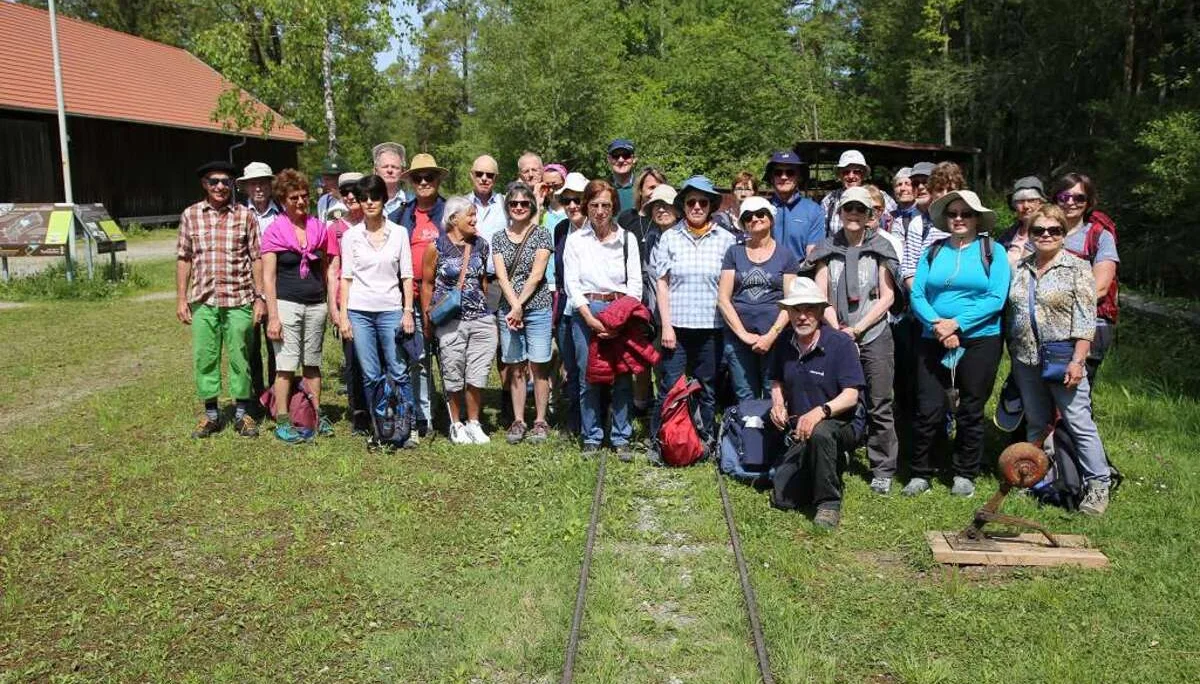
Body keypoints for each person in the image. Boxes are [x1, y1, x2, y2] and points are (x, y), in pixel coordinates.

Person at [1005, 204, 1112, 515]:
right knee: (1037, 421)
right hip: (1026, 358)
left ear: (1064, 234)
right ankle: (1039, 479)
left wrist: (1078, 360)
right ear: (1030, 234)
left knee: (1078, 421)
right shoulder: (1021, 268)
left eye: (1054, 230)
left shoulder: (1077, 268)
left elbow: (1085, 320)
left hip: (1063, 358)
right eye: (1039, 230)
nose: (1046, 235)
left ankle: (1098, 485)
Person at [904, 190, 1011, 498]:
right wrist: (937, 325)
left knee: (971, 408)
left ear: (977, 218)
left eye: (966, 213)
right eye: (953, 214)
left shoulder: (993, 251)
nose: (959, 219)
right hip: (933, 338)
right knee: (928, 407)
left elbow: (996, 298)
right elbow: (917, 294)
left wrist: (957, 323)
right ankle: (921, 471)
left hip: (980, 338)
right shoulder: (933, 251)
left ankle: (965, 472)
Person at [809, 186, 902, 495]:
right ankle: (839, 452)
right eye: (848, 208)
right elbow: (820, 296)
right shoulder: (825, 249)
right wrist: (838, 330)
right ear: (840, 212)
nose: (853, 214)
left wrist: (858, 328)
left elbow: (887, 296)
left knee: (879, 402)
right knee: (838, 400)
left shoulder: (881, 248)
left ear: (869, 215)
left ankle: (882, 467)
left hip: (873, 333)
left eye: (860, 209)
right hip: (836, 334)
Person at [176, 161, 265, 438]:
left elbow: (257, 257)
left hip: (239, 298)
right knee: (205, 356)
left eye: (225, 182)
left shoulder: (245, 216)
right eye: (214, 181)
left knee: (241, 357)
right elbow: (184, 258)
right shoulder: (191, 215)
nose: (220, 187)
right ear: (204, 184)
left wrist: (260, 297)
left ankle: (242, 414)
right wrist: (181, 299)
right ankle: (211, 415)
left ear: (232, 185)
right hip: (204, 300)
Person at [768, 278, 865, 529]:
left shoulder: (840, 343)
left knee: (821, 433)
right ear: (788, 313)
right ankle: (822, 464)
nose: (802, 316)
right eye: (796, 310)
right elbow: (776, 380)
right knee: (783, 499)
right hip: (800, 426)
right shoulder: (784, 342)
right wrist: (777, 403)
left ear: (821, 312)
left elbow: (851, 395)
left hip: (840, 421)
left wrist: (820, 412)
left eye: (809, 309)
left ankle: (829, 504)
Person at [651, 175, 737, 450]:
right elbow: (662, 284)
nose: (697, 207)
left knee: (707, 386)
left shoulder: (726, 239)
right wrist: (666, 326)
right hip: (677, 326)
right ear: (683, 205)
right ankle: (661, 440)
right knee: (670, 385)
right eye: (691, 202)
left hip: (712, 326)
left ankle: (704, 440)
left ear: (711, 205)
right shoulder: (670, 237)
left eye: (703, 202)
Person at [563, 179, 643, 460]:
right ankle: (592, 436)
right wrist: (589, 317)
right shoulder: (575, 241)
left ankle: (621, 436)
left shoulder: (627, 240)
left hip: (620, 311)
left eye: (605, 205)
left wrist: (619, 319)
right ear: (586, 206)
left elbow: (635, 285)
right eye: (594, 205)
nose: (600, 211)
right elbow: (571, 284)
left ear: (614, 207)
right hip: (586, 312)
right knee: (589, 377)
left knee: (622, 376)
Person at [337, 175, 417, 446]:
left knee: (398, 369)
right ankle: (380, 426)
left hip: (391, 309)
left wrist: (408, 311)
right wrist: (344, 317)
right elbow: (346, 278)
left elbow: (406, 276)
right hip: (359, 312)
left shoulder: (399, 233)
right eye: (364, 198)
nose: (369, 202)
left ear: (384, 199)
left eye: (375, 197)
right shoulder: (351, 236)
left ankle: (406, 426)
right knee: (370, 374)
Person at [261, 169, 331, 443]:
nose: (301, 202)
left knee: (312, 363)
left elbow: (325, 269)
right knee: (286, 365)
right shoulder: (274, 231)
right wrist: (273, 317)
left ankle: (315, 415)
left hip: (315, 305)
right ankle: (282, 419)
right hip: (286, 305)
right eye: (294, 198)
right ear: (283, 200)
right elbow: (268, 278)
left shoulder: (319, 229)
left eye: (304, 196)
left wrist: (329, 303)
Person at [421, 196, 497, 445]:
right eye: (470, 215)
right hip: (450, 321)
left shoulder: (481, 245)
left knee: (477, 374)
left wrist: (486, 309)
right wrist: (427, 320)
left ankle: (474, 423)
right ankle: (456, 424)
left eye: (475, 214)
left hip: (481, 319)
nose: (475, 219)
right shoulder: (436, 247)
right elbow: (427, 285)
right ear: (454, 219)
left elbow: (483, 280)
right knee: (453, 373)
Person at [390, 153, 449, 443]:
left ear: (438, 180)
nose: (424, 182)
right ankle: (423, 416)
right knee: (419, 358)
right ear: (411, 182)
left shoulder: (451, 212)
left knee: (450, 358)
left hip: (446, 298)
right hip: (411, 297)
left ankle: (456, 415)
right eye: (418, 178)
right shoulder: (401, 215)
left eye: (429, 177)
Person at [717, 196, 799, 400]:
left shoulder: (786, 255)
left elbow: (791, 301)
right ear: (743, 223)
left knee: (774, 394)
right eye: (748, 216)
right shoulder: (734, 253)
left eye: (760, 214)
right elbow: (723, 299)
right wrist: (743, 335)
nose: (754, 219)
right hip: (738, 338)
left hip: (776, 337)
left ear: (770, 218)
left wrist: (771, 336)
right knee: (744, 394)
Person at [493, 181, 554, 444]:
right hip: (508, 310)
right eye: (514, 203)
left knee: (539, 365)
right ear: (507, 206)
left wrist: (519, 305)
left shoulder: (542, 234)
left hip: (537, 307)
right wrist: (514, 307)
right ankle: (518, 419)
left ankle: (540, 419)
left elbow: (537, 274)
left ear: (531, 206)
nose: (518, 207)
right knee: (515, 365)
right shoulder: (498, 237)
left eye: (524, 203)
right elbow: (501, 276)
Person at [1053, 172, 1119, 384]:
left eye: (1079, 198)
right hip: (1048, 325)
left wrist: (1057, 303)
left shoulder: (1099, 236)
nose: (1070, 202)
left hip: (1089, 325)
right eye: (1064, 197)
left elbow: (1100, 288)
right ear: (1055, 199)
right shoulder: (1043, 231)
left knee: (1075, 389)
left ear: (1089, 201)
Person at [324, 172, 368, 434]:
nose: (350, 196)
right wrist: (333, 306)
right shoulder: (336, 229)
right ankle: (358, 411)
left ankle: (378, 406)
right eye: (345, 192)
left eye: (355, 191)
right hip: (347, 302)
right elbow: (332, 271)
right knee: (352, 360)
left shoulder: (377, 223)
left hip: (373, 299)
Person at [238, 161, 282, 398]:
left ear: (270, 185)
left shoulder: (282, 213)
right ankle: (255, 395)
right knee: (250, 344)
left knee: (277, 342)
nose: (258, 188)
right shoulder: (238, 214)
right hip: (246, 288)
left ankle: (276, 395)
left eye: (263, 183)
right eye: (253, 184)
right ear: (245, 187)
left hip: (278, 287)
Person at [552, 172, 590, 434]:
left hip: (590, 308)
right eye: (567, 201)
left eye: (577, 199)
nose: (572, 205)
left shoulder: (597, 229)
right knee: (572, 367)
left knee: (591, 368)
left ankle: (594, 420)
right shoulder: (560, 230)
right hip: (565, 307)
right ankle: (575, 418)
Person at [819, 150, 896, 237]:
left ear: (863, 174)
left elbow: (896, 227)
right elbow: (821, 235)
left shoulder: (880, 197)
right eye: (846, 172)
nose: (851, 176)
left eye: (856, 172)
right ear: (840, 175)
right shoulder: (830, 200)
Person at [765, 150, 824, 260]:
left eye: (790, 172)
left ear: (799, 177)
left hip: (800, 269)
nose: (784, 177)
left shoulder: (814, 210)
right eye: (778, 172)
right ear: (771, 178)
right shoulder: (761, 209)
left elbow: (813, 253)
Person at [999, 176, 1047, 267]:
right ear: (1013, 205)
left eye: (1031, 200)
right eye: (1020, 201)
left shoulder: (1051, 233)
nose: (1026, 206)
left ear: (1041, 203)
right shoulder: (1007, 236)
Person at [617, 166, 667, 243]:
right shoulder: (626, 218)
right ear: (640, 190)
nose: (656, 192)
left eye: (660, 188)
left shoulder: (667, 218)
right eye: (652, 188)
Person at [864, 184, 904, 260]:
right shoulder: (844, 240)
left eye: (876, 209)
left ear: (882, 211)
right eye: (866, 208)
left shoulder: (893, 243)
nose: (871, 213)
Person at [718, 171, 759, 237]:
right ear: (733, 192)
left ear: (754, 192)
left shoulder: (760, 220)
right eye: (739, 189)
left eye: (747, 189)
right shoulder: (722, 220)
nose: (743, 194)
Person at [373, 142, 408, 216]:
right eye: (385, 167)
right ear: (376, 171)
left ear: (402, 171)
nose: (389, 170)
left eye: (395, 167)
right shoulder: (365, 202)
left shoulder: (412, 201)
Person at [607, 139, 638, 212]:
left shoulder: (644, 186)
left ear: (634, 159)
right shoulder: (602, 188)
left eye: (626, 155)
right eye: (616, 156)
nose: (620, 160)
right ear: (609, 159)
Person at [316, 155, 345, 221]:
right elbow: (322, 223)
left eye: (328, 179)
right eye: (324, 179)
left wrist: (340, 198)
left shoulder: (351, 199)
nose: (324, 184)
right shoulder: (323, 201)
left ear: (339, 178)